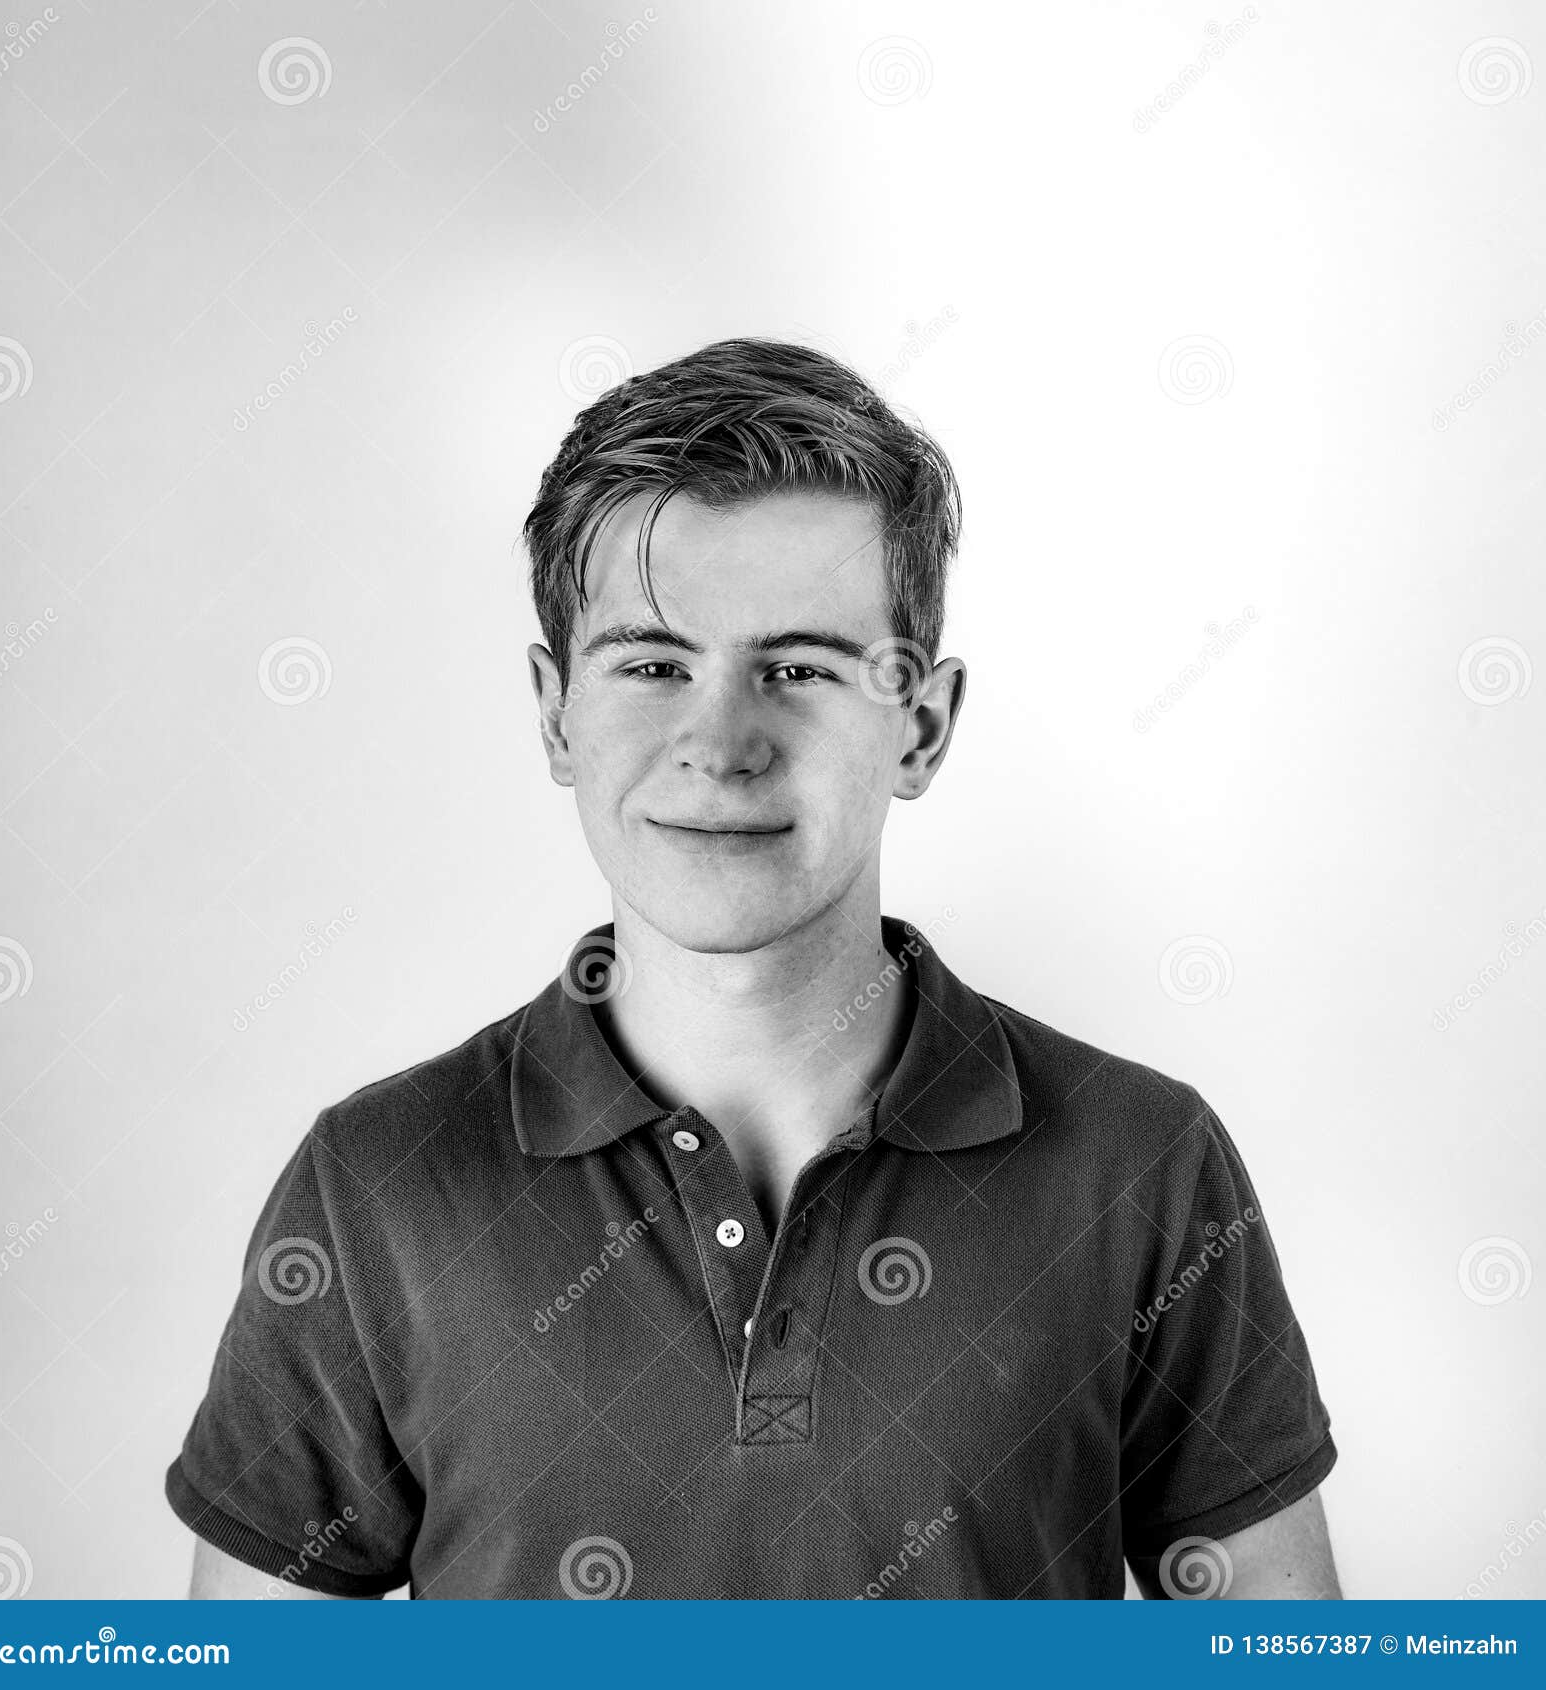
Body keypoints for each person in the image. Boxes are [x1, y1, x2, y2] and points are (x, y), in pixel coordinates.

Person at [168, 338, 1341, 1600]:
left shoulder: (1141, 1162)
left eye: (798, 668)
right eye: (653, 664)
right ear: (556, 713)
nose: (720, 744)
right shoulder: (378, 1186)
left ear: (922, 725)